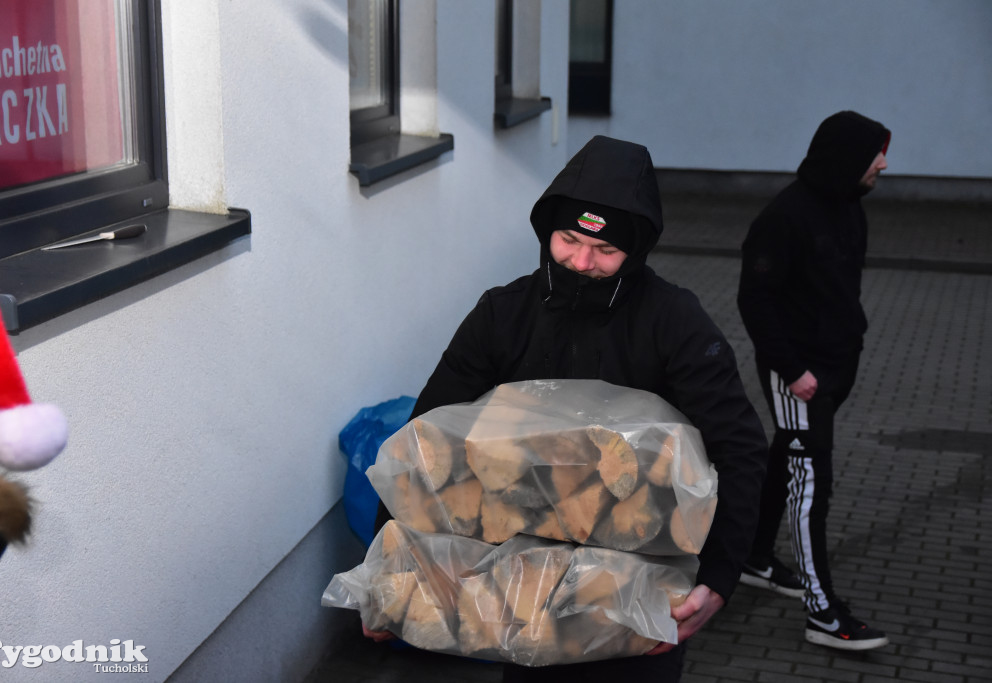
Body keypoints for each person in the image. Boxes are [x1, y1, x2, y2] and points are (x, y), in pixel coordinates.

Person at [368, 135, 769, 681]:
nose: (582, 262)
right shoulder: (502, 315)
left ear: (637, 249)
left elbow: (740, 448)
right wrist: (387, 574)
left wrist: (720, 578)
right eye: (568, 239)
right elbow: (423, 446)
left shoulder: (674, 323)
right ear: (546, 231)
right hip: (518, 594)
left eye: (606, 251)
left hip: (634, 597)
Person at [736, 111, 891, 651]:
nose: (884, 164)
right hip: (799, 375)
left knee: (788, 459)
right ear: (849, 156)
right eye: (877, 153)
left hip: (834, 368)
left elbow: (838, 292)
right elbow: (754, 299)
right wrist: (794, 372)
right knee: (811, 486)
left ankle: (753, 558)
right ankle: (822, 612)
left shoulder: (849, 209)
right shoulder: (784, 218)